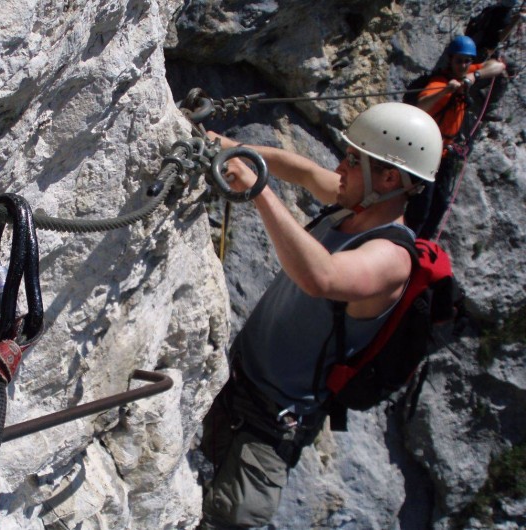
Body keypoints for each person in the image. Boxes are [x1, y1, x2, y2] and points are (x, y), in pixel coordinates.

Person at [198, 102, 443, 529]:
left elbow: (323, 277)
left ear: (389, 178)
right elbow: (301, 169)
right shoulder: (355, 205)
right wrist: (229, 148)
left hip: (266, 428)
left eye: (353, 159)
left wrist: (258, 190)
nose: (340, 166)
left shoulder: (391, 257)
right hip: (233, 386)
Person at [405, 35, 506, 239]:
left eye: (467, 61)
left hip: (445, 154)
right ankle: (406, 242)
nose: (463, 65)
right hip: (427, 153)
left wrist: (474, 77)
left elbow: (498, 66)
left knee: (441, 203)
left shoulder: (467, 74)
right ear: (450, 60)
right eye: (459, 60)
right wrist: (445, 91)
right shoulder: (438, 82)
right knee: (421, 206)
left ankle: (422, 245)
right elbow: (421, 105)